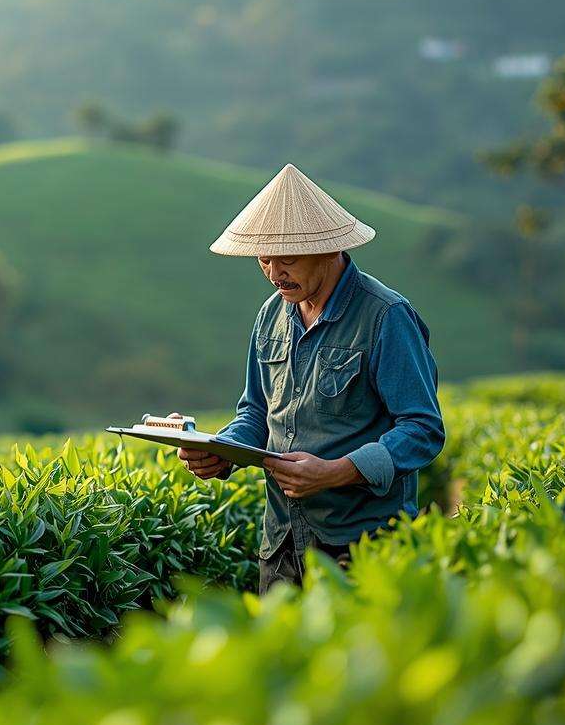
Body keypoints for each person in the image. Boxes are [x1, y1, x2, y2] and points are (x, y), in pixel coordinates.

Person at [178, 164, 445, 593]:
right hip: (282, 540)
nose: (273, 272)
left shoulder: (385, 316)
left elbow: (423, 429)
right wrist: (221, 451)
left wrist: (338, 471)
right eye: (264, 259)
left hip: (364, 543)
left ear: (328, 250)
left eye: (287, 259)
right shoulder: (271, 316)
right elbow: (256, 412)